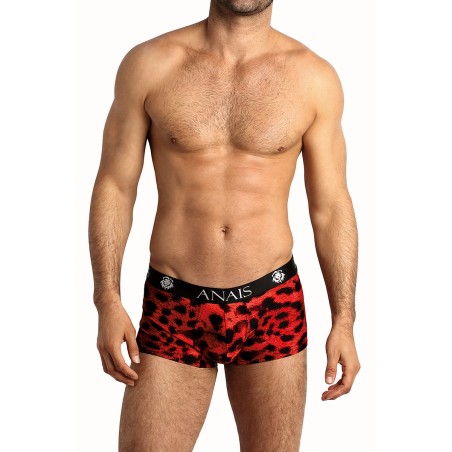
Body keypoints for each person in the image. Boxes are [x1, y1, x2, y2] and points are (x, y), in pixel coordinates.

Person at [88, 0, 361, 450]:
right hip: (174, 304)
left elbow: (330, 207)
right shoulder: (151, 64)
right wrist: (107, 299)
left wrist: (344, 320)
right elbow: (115, 186)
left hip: (272, 303)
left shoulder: (313, 78)